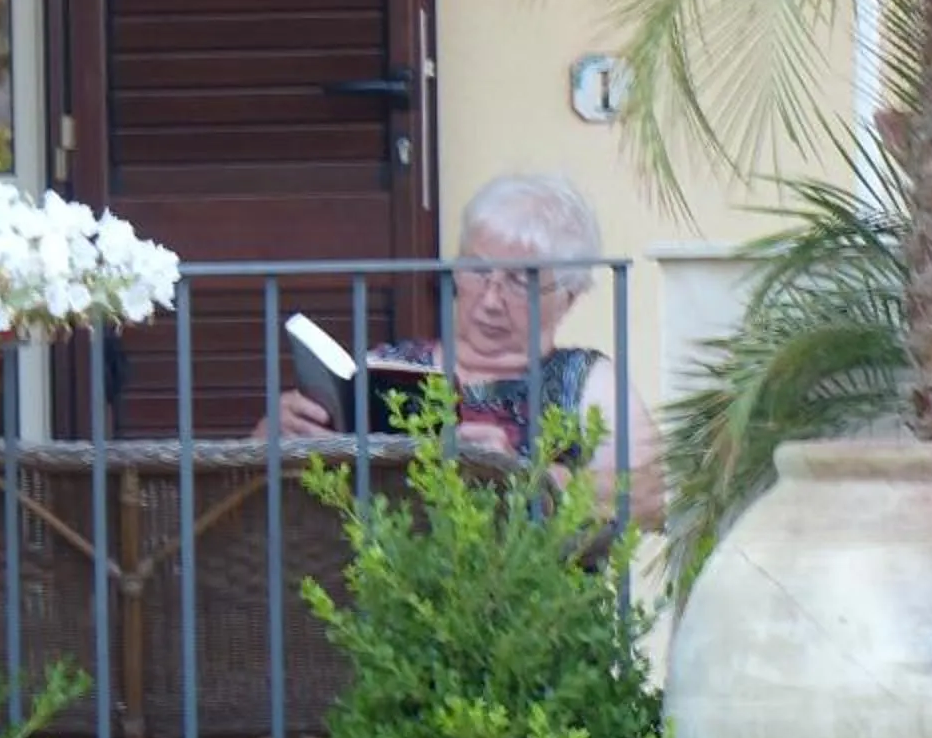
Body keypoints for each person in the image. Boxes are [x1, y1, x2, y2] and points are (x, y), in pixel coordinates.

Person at [258, 172, 662, 524]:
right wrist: (270, 440)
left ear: (569, 297)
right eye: (477, 270)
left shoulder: (588, 382)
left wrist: (521, 475)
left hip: (535, 602)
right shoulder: (387, 366)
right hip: (387, 597)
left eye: (520, 282)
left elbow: (652, 496)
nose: (489, 300)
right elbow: (262, 497)